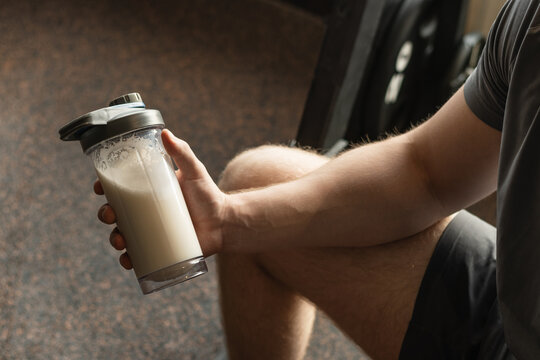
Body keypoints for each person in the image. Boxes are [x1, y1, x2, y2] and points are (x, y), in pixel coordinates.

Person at [95, 0, 540, 358]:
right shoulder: (529, 22)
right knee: (257, 181)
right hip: (510, 309)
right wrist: (229, 219)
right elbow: (424, 172)